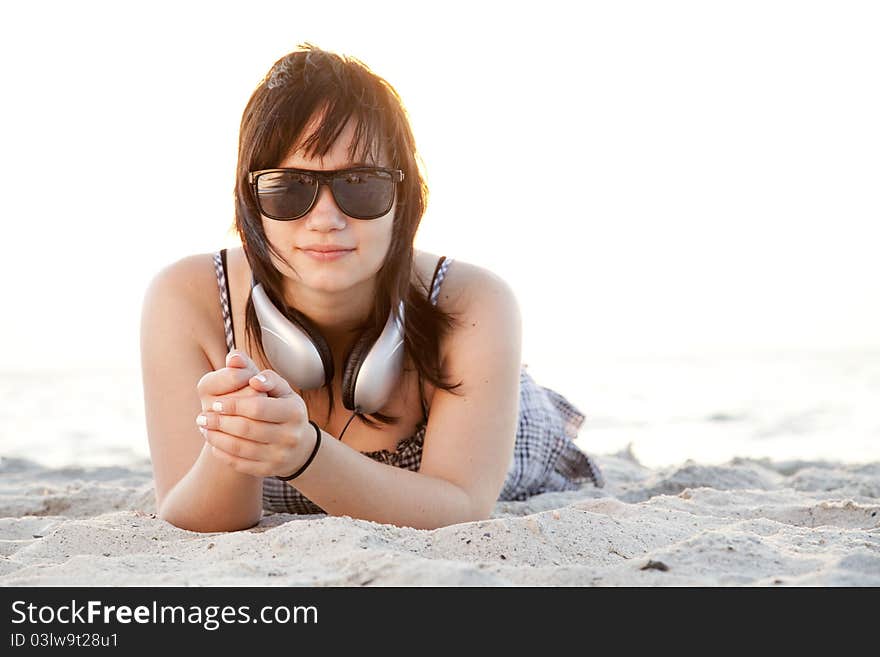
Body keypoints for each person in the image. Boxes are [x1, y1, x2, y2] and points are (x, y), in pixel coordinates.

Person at [140, 44, 603, 533]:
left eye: (360, 182)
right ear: (250, 202)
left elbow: (462, 506)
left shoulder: (474, 302)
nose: (325, 219)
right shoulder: (188, 299)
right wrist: (236, 442)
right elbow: (191, 517)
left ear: (404, 198)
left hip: (507, 452)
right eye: (289, 185)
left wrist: (304, 453)